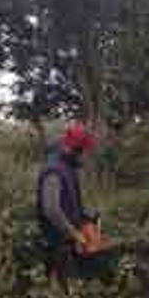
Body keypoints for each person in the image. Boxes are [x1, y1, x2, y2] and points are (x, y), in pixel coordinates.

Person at [37, 122, 98, 286]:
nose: (85, 156)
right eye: (84, 152)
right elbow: (52, 210)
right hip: (58, 242)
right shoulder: (54, 171)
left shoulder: (67, 165)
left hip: (69, 240)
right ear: (76, 149)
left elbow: (69, 201)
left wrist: (85, 218)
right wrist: (75, 234)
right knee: (68, 289)